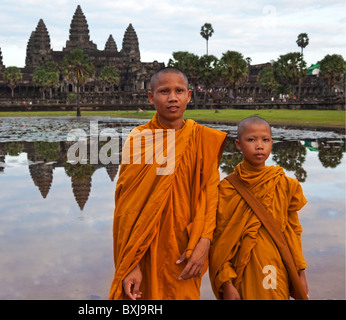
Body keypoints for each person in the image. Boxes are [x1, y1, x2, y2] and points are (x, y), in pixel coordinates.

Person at [109, 67, 227, 300]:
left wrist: (204, 242)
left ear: (189, 95)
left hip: (185, 247)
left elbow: (211, 195)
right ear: (151, 97)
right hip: (145, 248)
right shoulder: (139, 140)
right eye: (164, 91)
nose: (172, 97)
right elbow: (126, 207)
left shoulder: (202, 138)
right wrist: (130, 262)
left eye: (179, 91)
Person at [209, 116, 309, 300]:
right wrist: (226, 282)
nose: (259, 146)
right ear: (238, 144)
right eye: (251, 140)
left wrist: (300, 273)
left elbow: (293, 231)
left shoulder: (285, 185)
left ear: (272, 142)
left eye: (265, 140)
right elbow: (221, 239)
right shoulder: (227, 189)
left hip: (277, 265)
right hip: (244, 270)